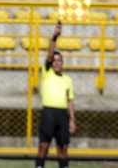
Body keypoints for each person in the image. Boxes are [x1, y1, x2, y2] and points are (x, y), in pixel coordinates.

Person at [35, 21, 76, 168]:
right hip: (49, 113)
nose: (57, 63)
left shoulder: (67, 80)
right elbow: (49, 54)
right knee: (43, 146)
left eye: (60, 61)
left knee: (63, 148)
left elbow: (70, 101)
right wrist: (54, 37)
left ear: (63, 63)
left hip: (62, 116)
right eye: (55, 61)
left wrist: (72, 119)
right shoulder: (47, 73)